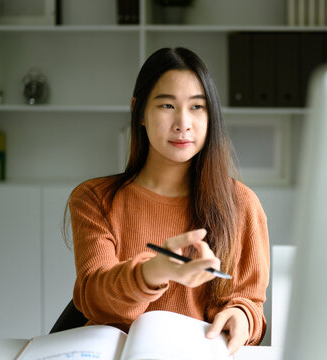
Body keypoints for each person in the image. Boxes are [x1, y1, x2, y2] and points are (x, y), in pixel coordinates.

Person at [67, 47, 270, 354]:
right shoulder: (95, 199)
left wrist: (242, 317)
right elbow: (95, 300)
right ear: (140, 113)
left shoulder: (242, 204)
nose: (183, 123)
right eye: (166, 105)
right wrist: (155, 271)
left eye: (197, 107)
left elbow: (249, 302)